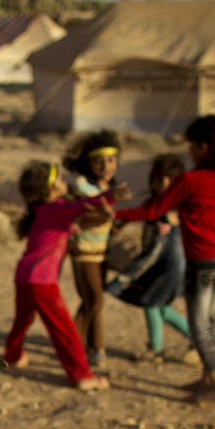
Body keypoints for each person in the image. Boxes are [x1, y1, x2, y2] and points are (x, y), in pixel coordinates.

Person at [114, 115, 215, 403]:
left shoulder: (190, 180)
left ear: (203, 147)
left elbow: (151, 210)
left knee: (200, 326)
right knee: (207, 321)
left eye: (193, 145)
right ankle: (206, 379)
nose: (190, 151)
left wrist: (115, 215)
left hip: (201, 261)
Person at [3, 161, 114, 391]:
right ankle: (82, 375)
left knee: (22, 321)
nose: (65, 183)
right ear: (50, 190)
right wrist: (111, 197)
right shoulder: (55, 208)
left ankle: (13, 356)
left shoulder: (41, 210)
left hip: (24, 275)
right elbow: (86, 204)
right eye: (60, 180)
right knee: (64, 330)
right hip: (42, 282)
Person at [107, 154, 192, 362]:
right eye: (159, 178)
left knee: (151, 304)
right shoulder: (156, 206)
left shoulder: (169, 212)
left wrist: (130, 273)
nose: (163, 184)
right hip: (163, 267)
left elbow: (155, 250)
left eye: (169, 180)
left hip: (167, 269)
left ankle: (156, 349)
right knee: (160, 307)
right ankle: (199, 338)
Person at [62, 130, 127, 368]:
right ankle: (72, 345)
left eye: (110, 160)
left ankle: (95, 347)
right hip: (84, 251)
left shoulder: (110, 185)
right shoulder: (82, 185)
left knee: (93, 300)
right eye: (99, 160)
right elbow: (84, 211)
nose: (105, 165)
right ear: (88, 162)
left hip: (102, 250)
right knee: (94, 298)